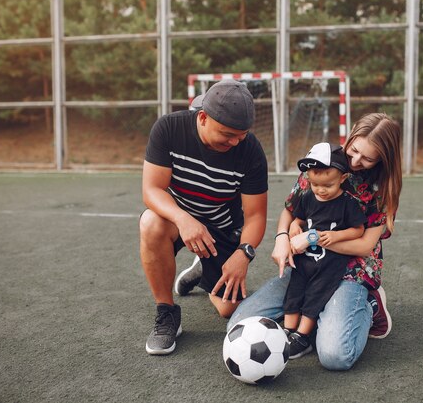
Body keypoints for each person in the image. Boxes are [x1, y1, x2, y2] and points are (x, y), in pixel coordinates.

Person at [228, 112, 402, 370]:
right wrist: (282, 238)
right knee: (239, 324)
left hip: (349, 269)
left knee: (335, 356)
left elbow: (365, 245)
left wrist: (312, 239)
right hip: (307, 265)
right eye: (354, 150)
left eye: (367, 158)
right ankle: (316, 315)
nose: (355, 161)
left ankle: (370, 305)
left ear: (383, 158)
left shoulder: (382, 186)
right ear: (352, 134)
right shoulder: (322, 160)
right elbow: (290, 209)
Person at [140, 79, 268, 355]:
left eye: (241, 135)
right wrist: (183, 219)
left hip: (222, 228)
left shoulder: (251, 151)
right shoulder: (168, 128)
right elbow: (152, 190)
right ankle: (167, 314)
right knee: (151, 222)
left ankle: (203, 270)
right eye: (227, 134)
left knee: (227, 309)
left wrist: (243, 254)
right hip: (177, 220)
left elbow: (256, 215)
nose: (235, 142)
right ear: (202, 117)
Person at [282, 142, 366, 359]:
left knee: (314, 297)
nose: (321, 190)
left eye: (327, 185)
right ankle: (287, 331)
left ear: (343, 179)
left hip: (329, 265)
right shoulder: (308, 196)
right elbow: (298, 217)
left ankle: (302, 336)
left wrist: (337, 235)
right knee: (293, 294)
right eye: (315, 184)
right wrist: (293, 225)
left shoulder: (348, 203)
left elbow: (358, 229)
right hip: (303, 261)